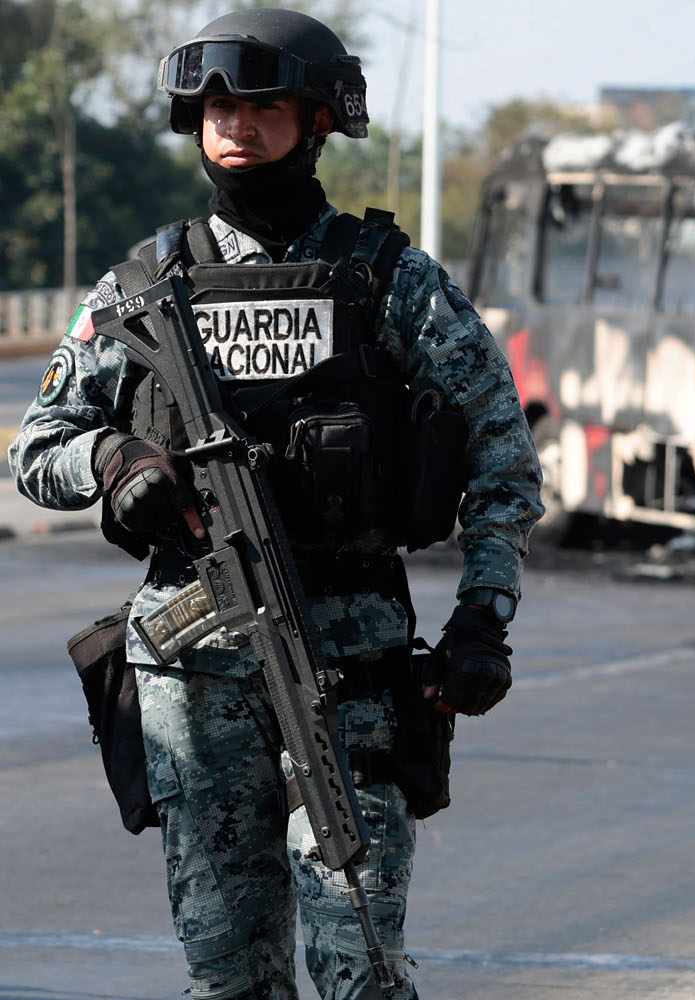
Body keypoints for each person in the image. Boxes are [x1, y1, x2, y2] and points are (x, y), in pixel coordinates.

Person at [8, 8, 542, 998]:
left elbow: (501, 452)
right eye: (219, 108)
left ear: (319, 119)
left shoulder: (388, 281)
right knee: (229, 978)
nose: (238, 126)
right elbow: (36, 447)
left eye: (263, 106)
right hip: (193, 686)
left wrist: (485, 613)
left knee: (360, 965)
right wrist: (116, 459)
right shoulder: (141, 284)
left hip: (350, 681)